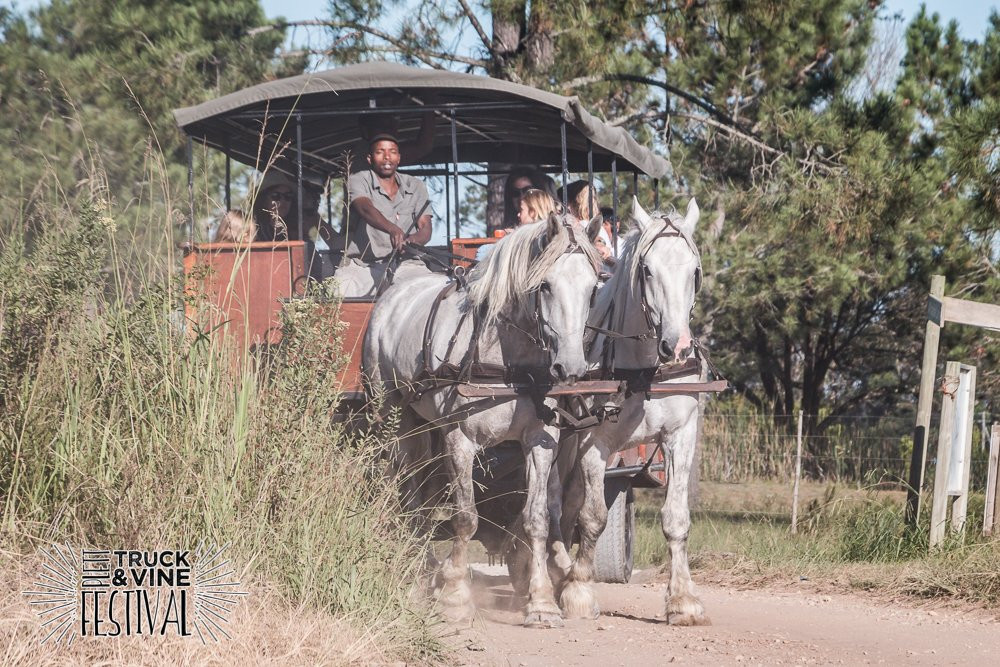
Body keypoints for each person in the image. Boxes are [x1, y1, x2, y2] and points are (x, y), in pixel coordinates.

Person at [334, 133, 433, 296]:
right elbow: (365, 208)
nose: (387, 157)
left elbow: (426, 228)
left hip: (407, 265)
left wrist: (411, 241)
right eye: (380, 152)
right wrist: (392, 229)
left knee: (428, 295)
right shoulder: (358, 179)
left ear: (399, 158)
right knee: (337, 291)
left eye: (392, 152)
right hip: (363, 266)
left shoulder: (416, 185)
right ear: (369, 158)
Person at [476, 188, 556, 262]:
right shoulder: (552, 235)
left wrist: (513, 237)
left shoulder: (537, 240)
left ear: (533, 212)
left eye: (521, 210)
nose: (518, 215)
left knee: (484, 250)